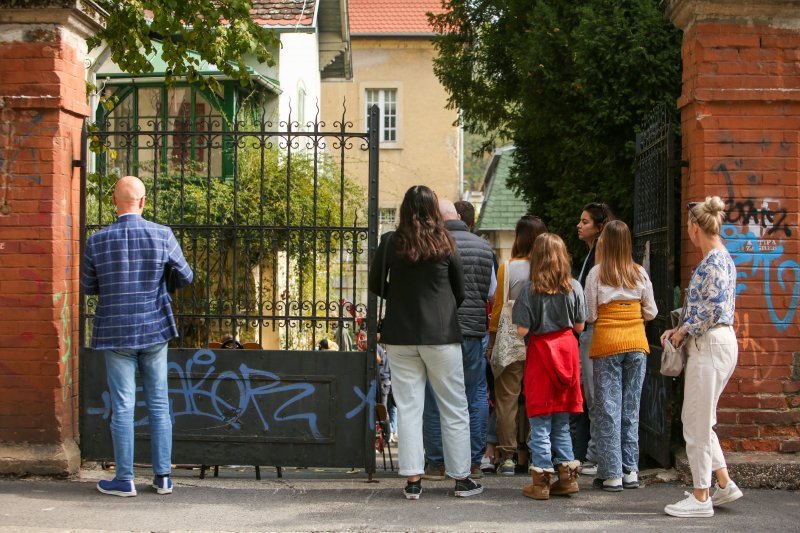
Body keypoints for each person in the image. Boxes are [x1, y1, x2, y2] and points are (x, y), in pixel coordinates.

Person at [81, 175, 194, 497]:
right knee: (159, 404)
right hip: (154, 328)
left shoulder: (97, 241)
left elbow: (88, 286)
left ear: (114, 201)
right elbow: (186, 275)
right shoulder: (162, 235)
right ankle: (163, 478)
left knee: (123, 406)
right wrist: (162, 279)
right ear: (143, 202)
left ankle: (124, 479)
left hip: (115, 331)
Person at [368, 185, 483, 500]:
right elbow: (460, 290)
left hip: (401, 336)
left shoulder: (392, 242)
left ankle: (413, 481)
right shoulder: (446, 241)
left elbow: (374, 282)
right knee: (454, 406)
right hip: (442, 335)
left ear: (404, 209)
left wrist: (401, 298)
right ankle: (461, 479)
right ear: (434, 209)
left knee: (408, 407)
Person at [661, 197, 742, 518]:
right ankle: (723, 484)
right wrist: (680, 326)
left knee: (694, 424)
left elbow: (714, 309)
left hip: (709, 345)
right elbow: (709, 306)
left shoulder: (712, 263)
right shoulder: (721, 259)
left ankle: (700, 496)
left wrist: (681, 333)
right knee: (702, 420)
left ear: (695, 227)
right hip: (716, 342)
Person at [422, 199, 494, 480]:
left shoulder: (433, 246)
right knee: (474, 394)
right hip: (474, 331)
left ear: (440, 220)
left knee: (434, 394)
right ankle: (474, 461)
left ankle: (437, 463)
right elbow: (490, 293)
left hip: (440, 331)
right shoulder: (484, 247)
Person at [512, 233, 586, 501]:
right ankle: (567, 478)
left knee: (540, 420)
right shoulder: (575, 287)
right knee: (562, 421)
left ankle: (542, 481)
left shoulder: (529, 290)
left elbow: (521, 330)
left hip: (542, 353)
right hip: (567, 352)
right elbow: (580, 326)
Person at [585, 220, 657, 491]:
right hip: (637, 344)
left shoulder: (596, 274)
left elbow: (590, 315)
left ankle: (611, 472)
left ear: (605, 242)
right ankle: (631, 471)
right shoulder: (639, 273)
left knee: (608, 409)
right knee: (631, 409)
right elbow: (651, 312)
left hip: (607, 345)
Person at [486, 215, 548, 475]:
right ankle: (536, 453)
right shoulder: (549, 268)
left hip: (512, 340)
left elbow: (499, 310)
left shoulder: (508, 268)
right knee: (536, 397)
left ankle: (508, 456)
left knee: (507, 399)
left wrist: (492, 342)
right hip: (541, 340)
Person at [572, 202, 614, 476]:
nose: (579, 225)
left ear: (599, 228)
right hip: (589, 330)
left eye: (585, 221)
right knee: (594, 394)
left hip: (593, 329)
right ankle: (597, 452)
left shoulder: (598, 259)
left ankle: (597, 454)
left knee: (596, 394)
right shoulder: (590, 255)